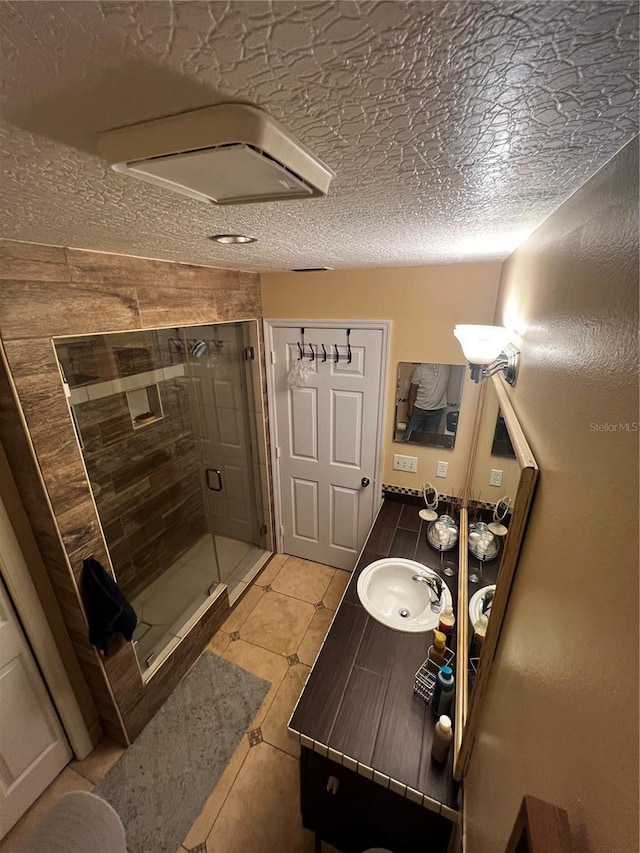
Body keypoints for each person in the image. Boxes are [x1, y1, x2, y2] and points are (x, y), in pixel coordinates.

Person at [403, 363, 450, 441]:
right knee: (409, 437)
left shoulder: (446, 366)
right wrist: (410, 410)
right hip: (419, 409)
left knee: (429, 441)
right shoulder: (420, 369)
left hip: (436, 411)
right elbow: (413, 389)